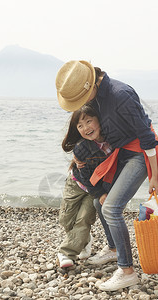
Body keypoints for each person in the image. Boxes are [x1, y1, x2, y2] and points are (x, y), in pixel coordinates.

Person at [56, 60, 158, 291]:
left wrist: (154, 176)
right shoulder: (96, 96)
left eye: (80, 99)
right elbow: (94, 130)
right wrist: (80, 154)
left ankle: (127, 271)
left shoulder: (121, 95)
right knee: (99, 200)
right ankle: (113, 249)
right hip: (120, 154)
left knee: (111, 208)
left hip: (138, 154)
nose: (81, 104)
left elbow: (147, 137)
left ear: (88, 87)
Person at [57, 104, 114, 268]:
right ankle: (85, 240)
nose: (86, 128)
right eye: (80, 125)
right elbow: (85, 176)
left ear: (99, 120)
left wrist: (100, 194)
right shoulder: (81, 148)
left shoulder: (112, 142)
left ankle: (66, 254)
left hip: (94, 190)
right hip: (76, 183)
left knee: (83, 220)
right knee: (65, 219)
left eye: (89, 121)